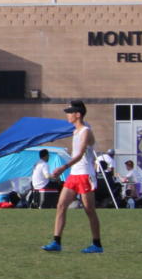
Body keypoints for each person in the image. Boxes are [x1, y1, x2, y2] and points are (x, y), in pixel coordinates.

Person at [43, 100, 104, 252]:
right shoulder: (75, 132)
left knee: (89, 210)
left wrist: (63, 167)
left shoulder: (86, 131)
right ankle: (56, 242)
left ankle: (97, 244)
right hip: (74, 175)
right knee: (61, 205)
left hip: (84, 174)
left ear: (78, 114)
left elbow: (80, 154)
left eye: (70, 112)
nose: (68, 115)